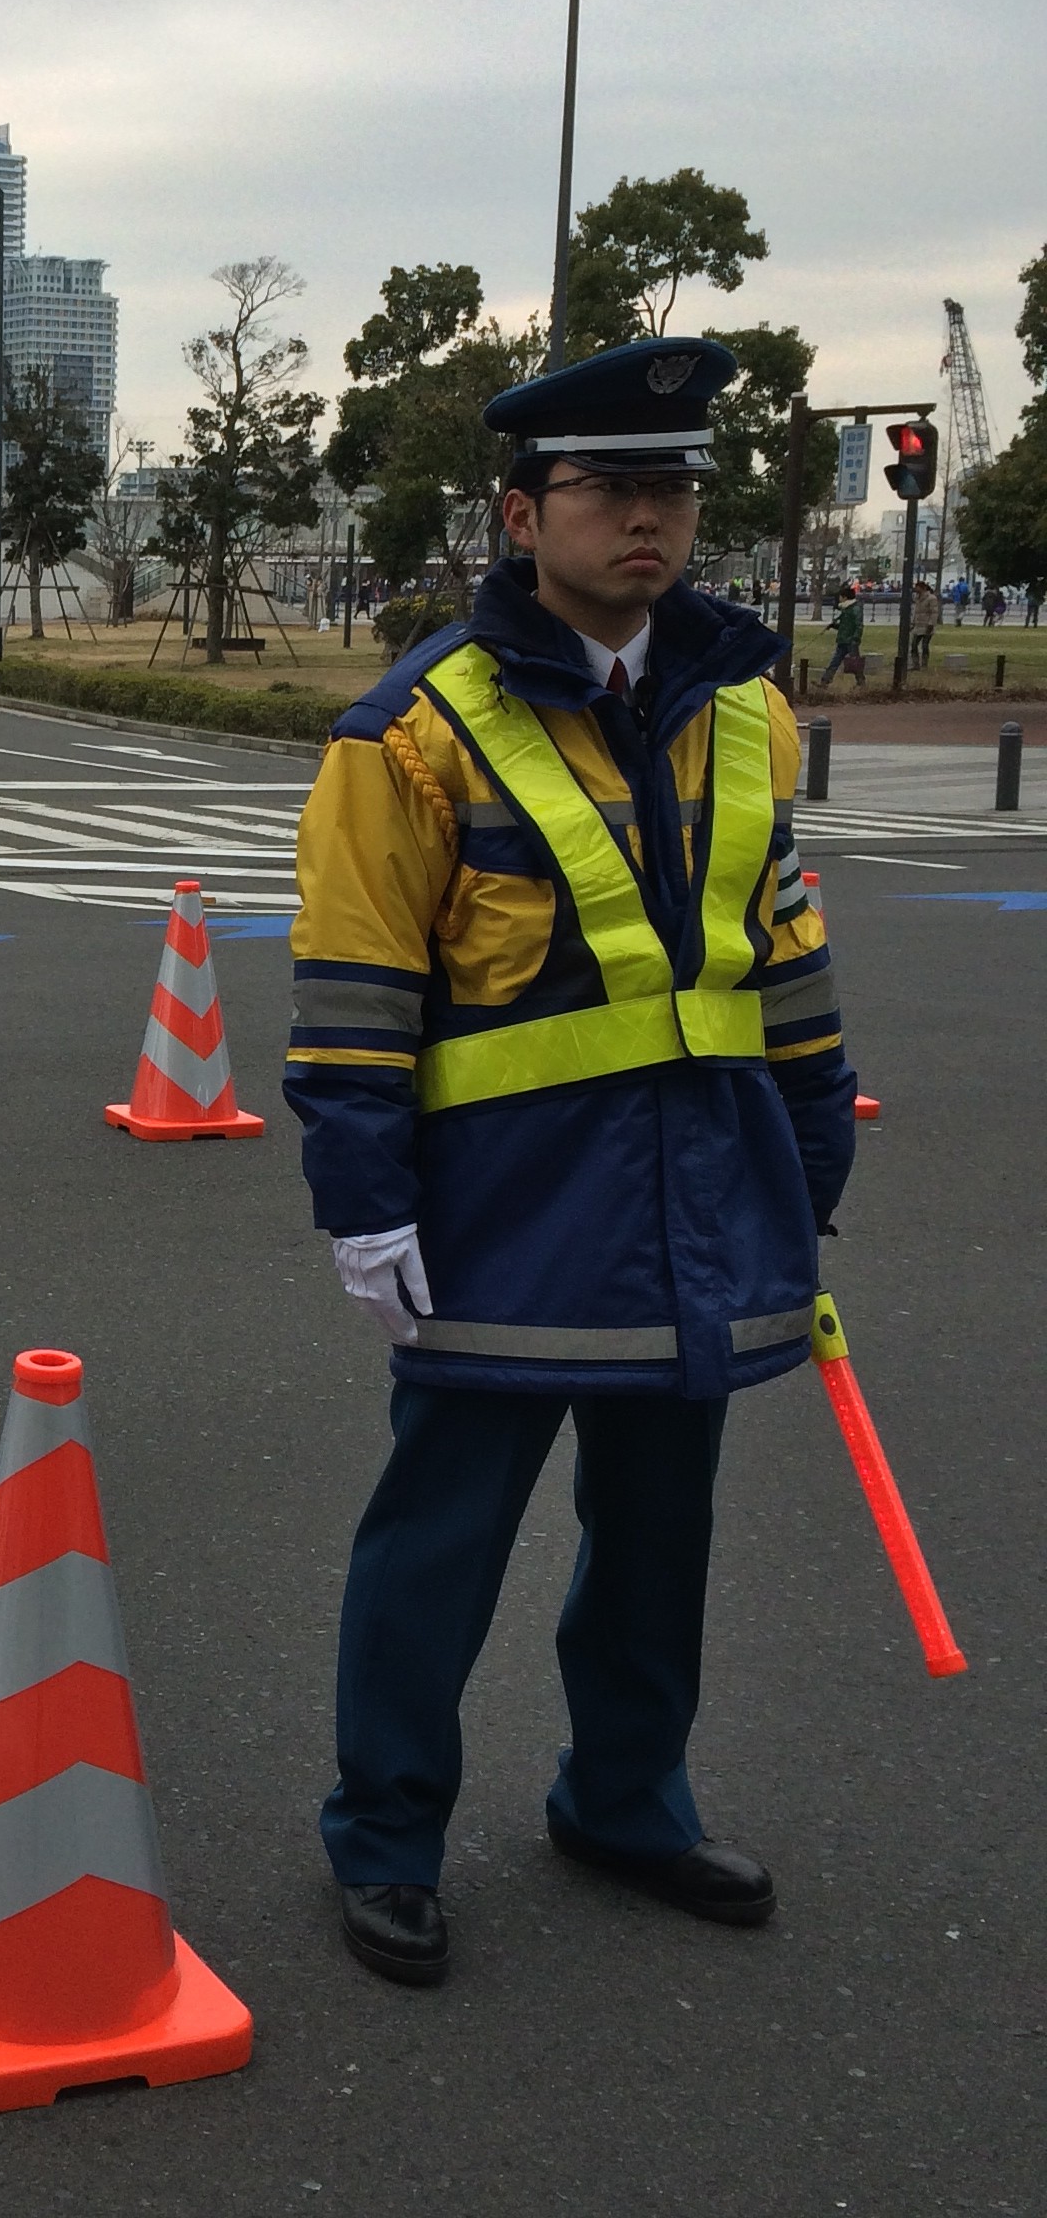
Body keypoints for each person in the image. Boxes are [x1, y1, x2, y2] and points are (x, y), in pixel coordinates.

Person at [284, 337, 855, 1987]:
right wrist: (364, 1200)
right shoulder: (409, 730)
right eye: (610, 487)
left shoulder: (742, 708)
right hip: (495, 1222)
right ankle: (384, 1834)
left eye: (671, 487)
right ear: (521, 509)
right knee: (435, 1539)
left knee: (658, 1535)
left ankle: (624, 1797)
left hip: (697, 1203)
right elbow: (351, 997)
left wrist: (808, 1146)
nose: (648, 520)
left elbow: (780, 954)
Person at [820, 583, 864, 685]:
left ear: (845, 597)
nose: (839, 599)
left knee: (854, 664)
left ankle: (861, 682)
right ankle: (825, 681)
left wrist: (856, 639)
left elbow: (858, 626)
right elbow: (845, 626)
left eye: (840, 596)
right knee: (835, 662)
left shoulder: (855, 609)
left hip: (851, 641)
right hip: (843, 640)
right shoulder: (847, 609)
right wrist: (833, 626)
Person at [912, 581, 940, 671]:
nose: (915, 589)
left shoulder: (931, 598)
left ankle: (924, 664)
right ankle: (915, 664)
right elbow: (915, 612)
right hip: (918, 626)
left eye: (917, 587)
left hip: (927, 626)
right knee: (913, 645)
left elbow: (934, 612)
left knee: (924, 645)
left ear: (923, 588)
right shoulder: (917, 598)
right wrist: (912, 623)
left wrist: (931, 624)